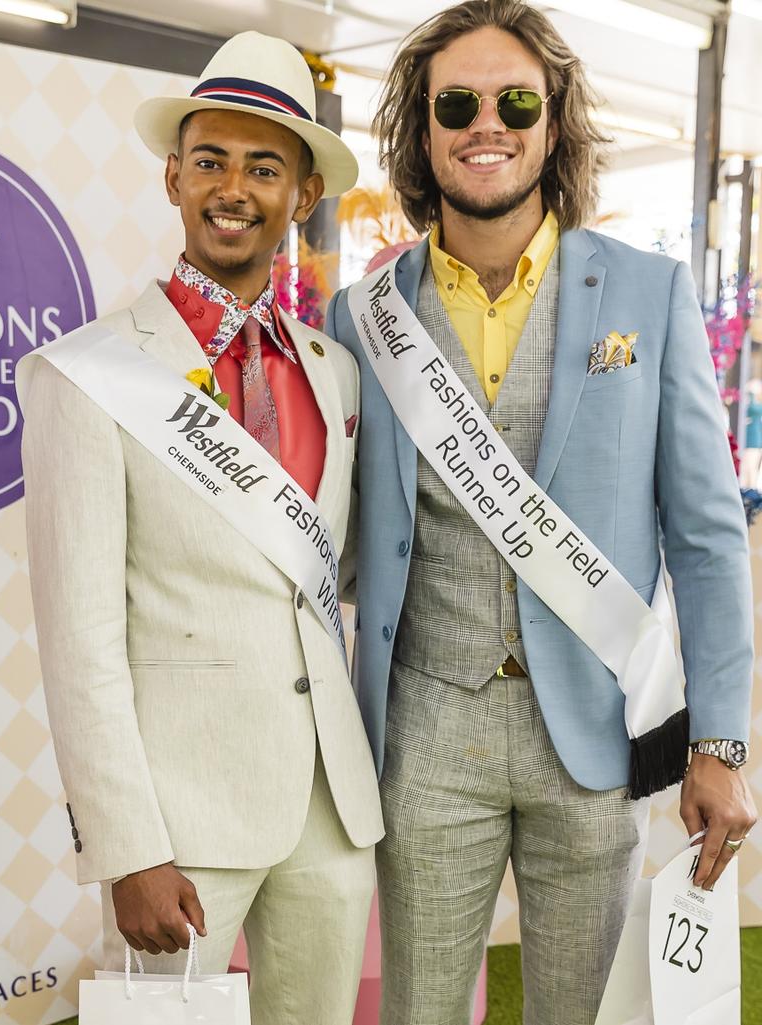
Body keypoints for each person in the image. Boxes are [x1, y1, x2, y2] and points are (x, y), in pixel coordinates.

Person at [326, 2, 757, 1023]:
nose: (489, 123)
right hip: (426, 731)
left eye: (517, 100)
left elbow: (705, 539)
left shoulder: (649, 295)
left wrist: (724, 742)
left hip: (598, 738)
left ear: (553, 123)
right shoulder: (360, 315)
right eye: (458, 103)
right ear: (423, 131)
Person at [18, 30, 383, 1025]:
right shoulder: (88, 372)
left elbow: (327, 576)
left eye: (264, 167)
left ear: (303, 196)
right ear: (174, 177)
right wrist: (126, 842)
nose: (234, 186)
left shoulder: (334, 370)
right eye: (210, 160)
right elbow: (80, 637)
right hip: (177, 819)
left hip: (330, 805)